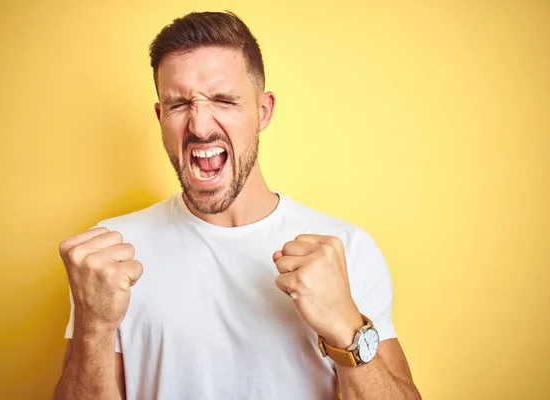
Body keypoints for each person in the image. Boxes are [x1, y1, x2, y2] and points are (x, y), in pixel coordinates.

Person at [53, 11, 421, 400]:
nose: (199, 126)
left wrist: (347, 327)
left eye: (223, 100)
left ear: (262, 111)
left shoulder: (344, 249)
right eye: (179, 104)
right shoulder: (110, 255)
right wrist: (93, 327)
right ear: (161, 117)